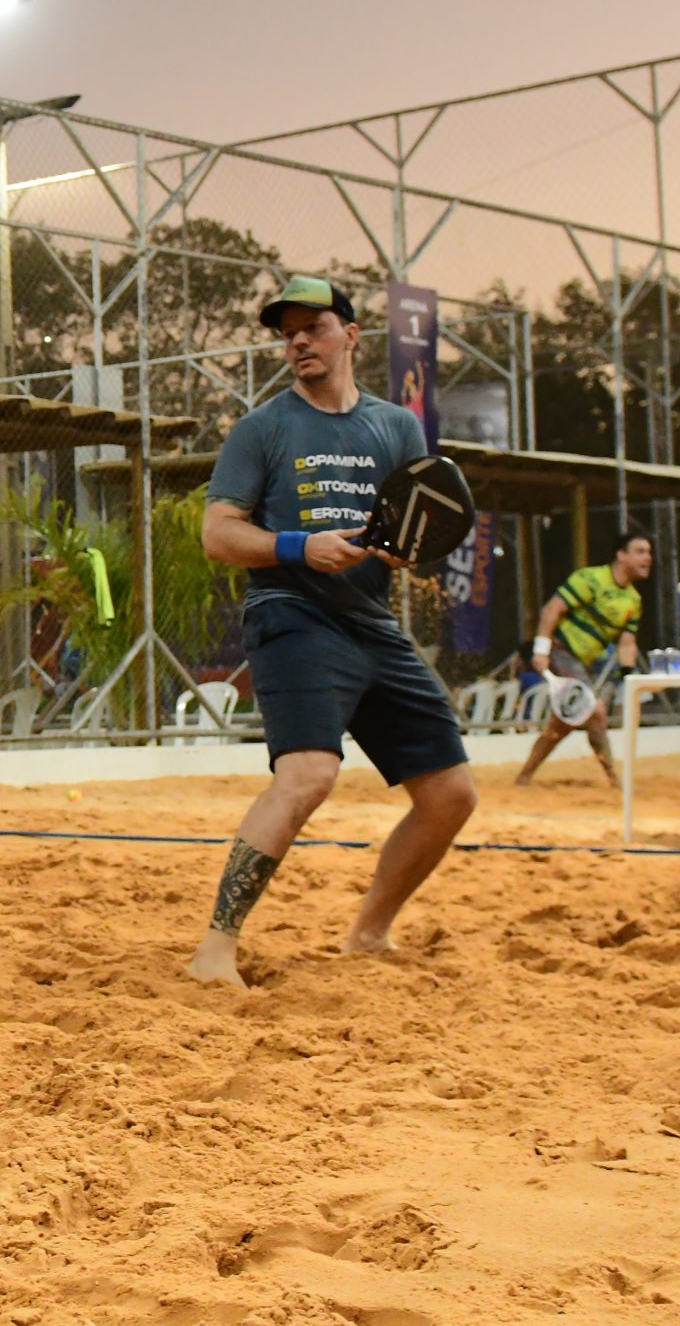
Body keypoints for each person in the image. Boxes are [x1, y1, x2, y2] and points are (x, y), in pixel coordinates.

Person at [186, 277, 478, 990]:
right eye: (288, 333)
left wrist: (405, 551)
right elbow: (218, 534)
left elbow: (408, 527)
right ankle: (215, 947)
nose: (298, 342)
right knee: (310, 773)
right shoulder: (264, 427)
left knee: (452, 795)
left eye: (313, 327)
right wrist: (299, 547)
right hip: (291, 610)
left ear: (352, 335)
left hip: (369, 619)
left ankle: (369, 932)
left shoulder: (396, 428)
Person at [514, 527, 653, 788]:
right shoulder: (590, 579)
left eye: (649, 553)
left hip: (579, 662)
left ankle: (523, 778)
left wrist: (627, 677)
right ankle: (615, 781)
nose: (647, 558)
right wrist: (541, 651)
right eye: (640, 552)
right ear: (621, 555)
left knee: (561, 726)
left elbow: (626, 642)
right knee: (596, 710)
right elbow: (551, 610)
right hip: (560, 650)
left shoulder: (633, 600)